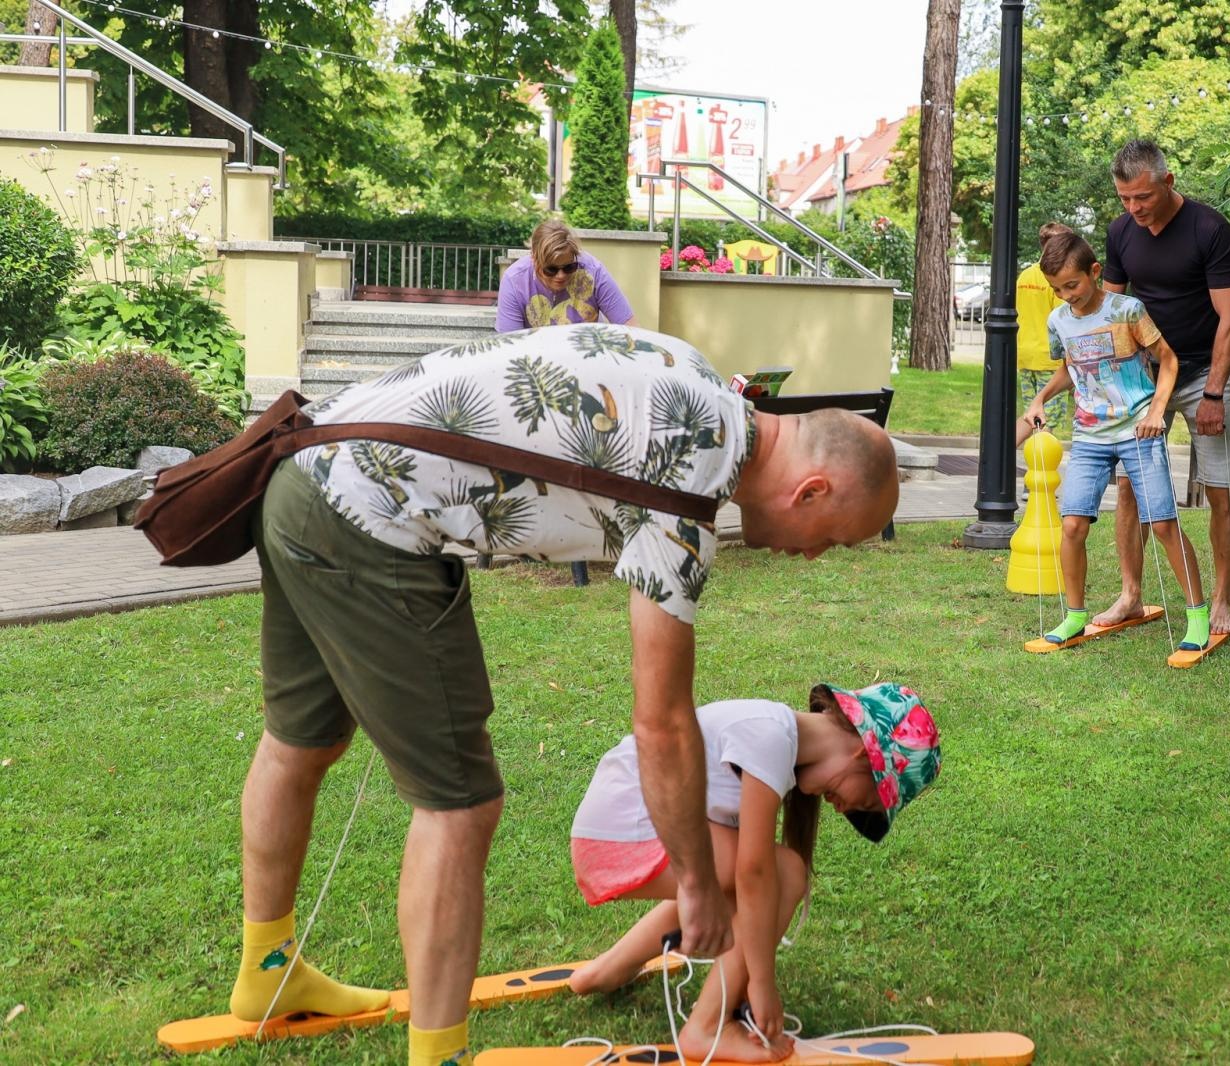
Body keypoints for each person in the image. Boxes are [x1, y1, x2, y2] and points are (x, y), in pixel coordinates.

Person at [229, 323, 900, 1066]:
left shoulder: (701, 380)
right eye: (830, 538)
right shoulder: (687, 487)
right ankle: (437, 1057)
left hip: (305, 473)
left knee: (304, 739)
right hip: (371, 517)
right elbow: (664, 726)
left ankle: (267, 973)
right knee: (460, 803)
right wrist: (697, 888)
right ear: (811, 489)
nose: (813, 555)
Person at [567, 682, 942, 1062]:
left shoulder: (776, 734)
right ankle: (706, 1028)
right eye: (867, 799)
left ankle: (607, 970)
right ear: (864, 755)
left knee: (744, 882)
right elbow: (755, 872)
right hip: (625, 832)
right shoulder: (771, 737)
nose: (846, 810)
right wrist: (762, 984)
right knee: (786, 872)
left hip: (609, 832)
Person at [1018, 229, 1211, 652]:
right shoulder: (1059, 321)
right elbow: (1071, 368)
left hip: (1138, 428)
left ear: (1094, 271)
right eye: (1057, 289)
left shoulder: (1127, 310)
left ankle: (1197, 615)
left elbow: (1169, 360)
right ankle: (1074, 616)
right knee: (1072, 525)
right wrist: (1039, 399)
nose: (1067, 295)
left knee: (1161, 524)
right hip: (1089, 434)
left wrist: (1158, 411)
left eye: (1073, 285)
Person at [1096, 140, 1230, 635]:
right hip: (1147, 377)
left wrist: (1214, 393)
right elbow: (1112, 313)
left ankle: (1221, 599)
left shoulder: (1209, 229)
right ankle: (1130, 596)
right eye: (1124, 199)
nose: (1134, 209)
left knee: (1219, 491)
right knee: (1128, 489)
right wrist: (1116, 383)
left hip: (1205, 373)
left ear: (1168, 182)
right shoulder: (1121, 232)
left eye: (1142, 197)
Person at [496, 218, 637, 332]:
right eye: (551, 269)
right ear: (534, 259)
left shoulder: (593, 271)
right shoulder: (514, 281)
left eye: (569, 267)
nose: (561, 275)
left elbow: (629, 327)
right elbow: (509, 347)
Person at [1017, 222, 1070, 438]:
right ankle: (1042, 468)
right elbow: (1064, 321)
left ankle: (998, 462)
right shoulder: (1055, 279)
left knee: (1030, 414)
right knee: (1047, 419)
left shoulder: (1025, 276)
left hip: (1025, 355)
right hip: (1049, 358)